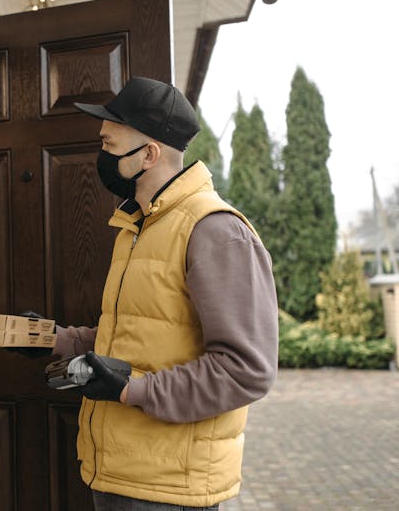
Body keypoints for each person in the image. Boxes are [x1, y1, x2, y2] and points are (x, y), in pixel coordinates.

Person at [47, 77, 279, 510]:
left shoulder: (215, 231)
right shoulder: (138, 227)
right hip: (119, 474)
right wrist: (49, 339)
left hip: (171, 490)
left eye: (109, 144)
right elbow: (134, 335)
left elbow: (246, 370)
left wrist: (131, 389)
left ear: (148, 154)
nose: (101, 155)